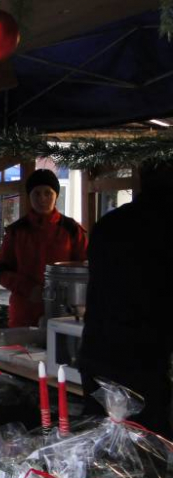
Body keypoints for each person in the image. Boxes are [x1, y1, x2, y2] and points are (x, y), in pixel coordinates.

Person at [79, 162, 173, 439]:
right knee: (147, 444)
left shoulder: (109, 224)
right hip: (144, 357)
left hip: (98, 350)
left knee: (97, 441)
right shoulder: (166, 227)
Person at [0, 169, 88, 328]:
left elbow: (85, 269)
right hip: (24, 313)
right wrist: (28, 289)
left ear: (56, 195)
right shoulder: (16, 231)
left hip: (65, 313)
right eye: (36, 193)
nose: (42, 198)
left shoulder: (72, 230)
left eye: (48, 193)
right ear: (29, 196)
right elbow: (1, 272)